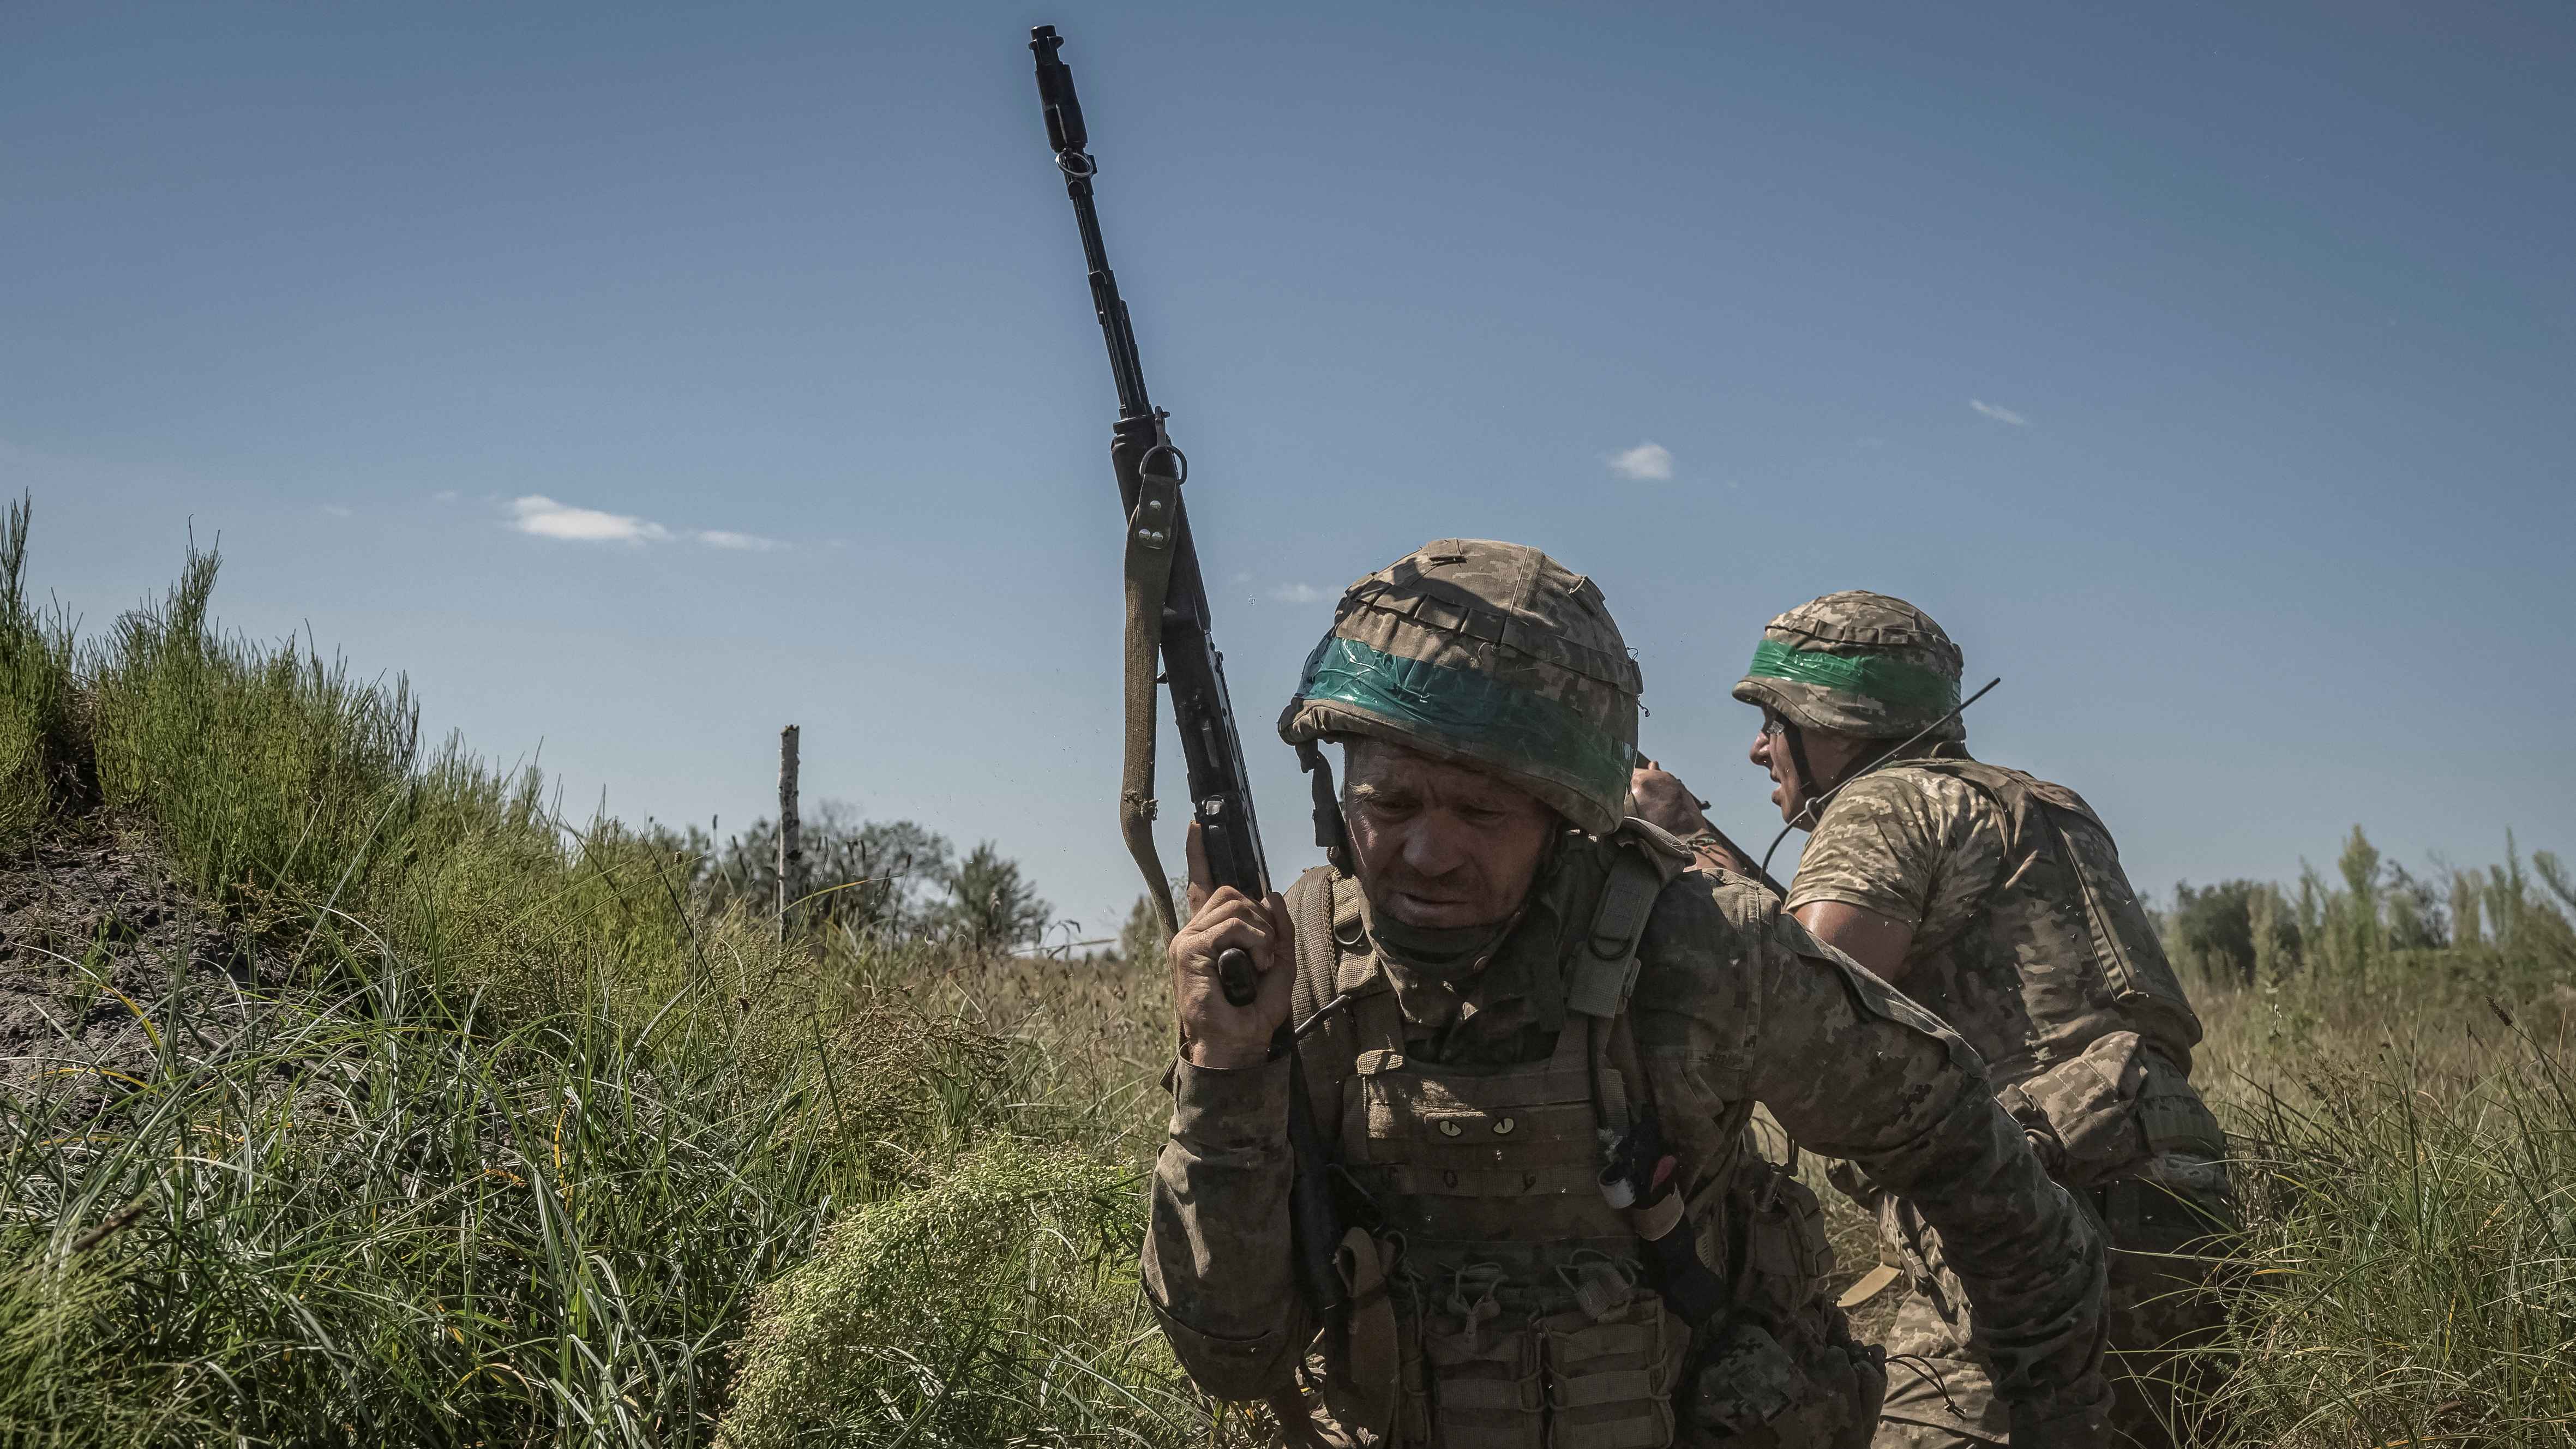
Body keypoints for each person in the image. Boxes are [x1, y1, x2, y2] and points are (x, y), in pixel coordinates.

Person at [1143, 543, 2111, 1448]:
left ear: (1570, 818)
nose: (1426, 855)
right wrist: (1223, 1070)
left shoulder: (1699, 952)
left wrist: (2048, 1404)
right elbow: (1232, 1353)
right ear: (1336, 788)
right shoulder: (1293, 975)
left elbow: (1966, 1153)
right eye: (1389, 804)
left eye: (1480, 812)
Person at [1632, 591, 2236, 1448]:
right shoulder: (2043, 804)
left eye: (1774, 717)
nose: (1759, 746)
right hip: (2186, 1203)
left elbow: (1800, 1011)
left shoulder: (1882, 804)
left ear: (1832, 719)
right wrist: (1701, 831)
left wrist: (1674, 847)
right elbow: (1833, 975)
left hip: (2026, 1215)